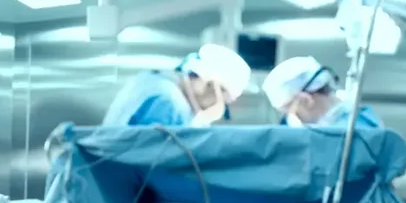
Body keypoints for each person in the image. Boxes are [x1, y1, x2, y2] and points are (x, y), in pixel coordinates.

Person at [103, 43, 250, 127]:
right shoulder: (169, 103)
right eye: (223, 102)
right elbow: (163, 159)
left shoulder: (155, 81)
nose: (219, 107)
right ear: (213, 87)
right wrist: (201, 121)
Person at [262, 56, 382, 127]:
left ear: (306, 100)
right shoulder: (353, 120)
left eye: (287, 110)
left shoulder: (349, 133)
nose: (289, 118)